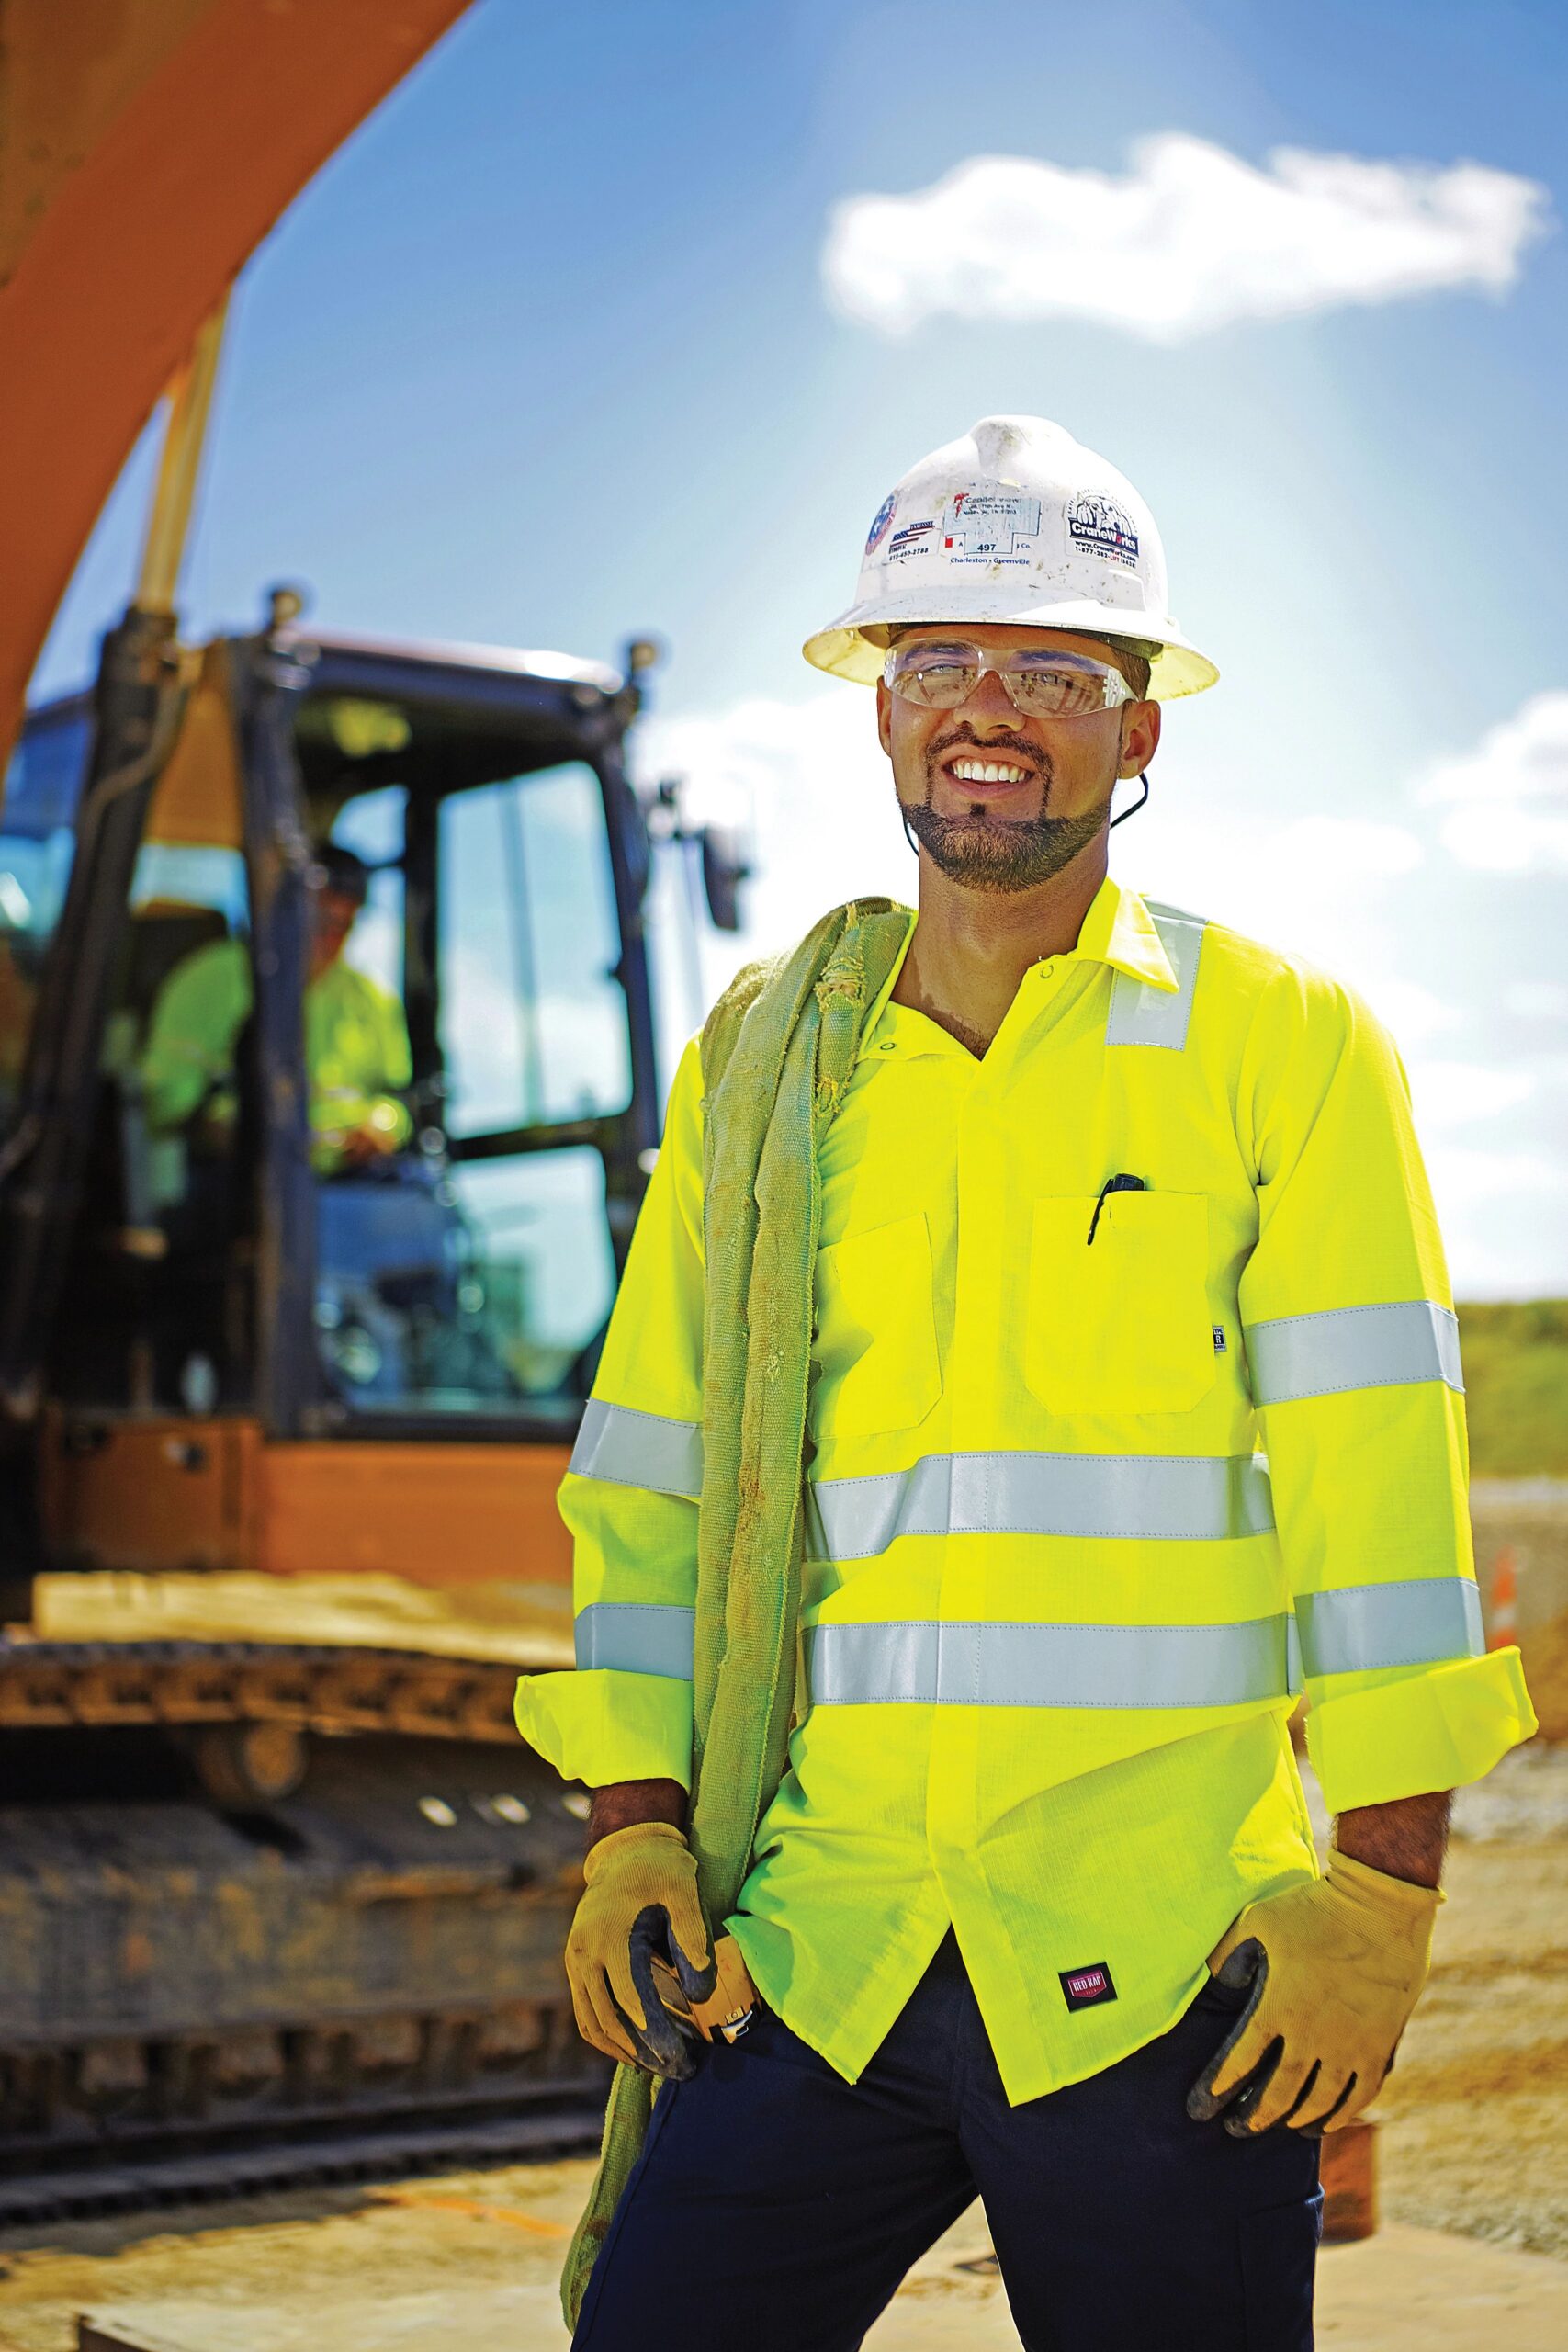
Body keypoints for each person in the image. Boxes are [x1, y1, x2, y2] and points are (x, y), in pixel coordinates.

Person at [515, 415, 1536, 2350]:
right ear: (878, 715)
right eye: (939, 663)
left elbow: (1376, 1500)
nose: (990, 710)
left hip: (1163, 1969)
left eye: (1055, 671)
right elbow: (651, 1470)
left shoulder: (1279, 1045)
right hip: (818, 1942)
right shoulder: (764, 1068)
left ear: (1136, 730)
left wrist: (1383, 1893)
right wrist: (634, 1816)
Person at [140, 842, 412, 1174]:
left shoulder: (372, 1000)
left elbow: (398, 1100)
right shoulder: (210, 978)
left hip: (342, 1190)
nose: (331, 937)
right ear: (285, 908)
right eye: (322, 919)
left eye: (344, 925)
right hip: (229, 1181)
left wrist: (382, 1126)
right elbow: (163, 1098)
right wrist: (215, 1126)